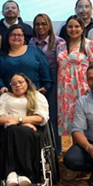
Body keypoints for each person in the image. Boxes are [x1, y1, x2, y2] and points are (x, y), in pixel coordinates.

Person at [0, 73, 49, 186]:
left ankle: (15, 173)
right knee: (12, 131)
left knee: (14, 130)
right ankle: (16, 174)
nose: (17, 85)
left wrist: (18, 121)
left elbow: (41, 118)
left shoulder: (37, 96)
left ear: (27, 82)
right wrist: (20, 123)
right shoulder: (5, 97)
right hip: (9, 130)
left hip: (31, 132)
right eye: (13, 83)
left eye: (20, 82)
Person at [56, 15, 93, 137]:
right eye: (70, 26)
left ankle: (89, 149)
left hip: (82, 88)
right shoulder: (60, 45)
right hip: (64, 91)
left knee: (84, 119)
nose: (73, 29)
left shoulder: (90, 44)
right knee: (66, 120)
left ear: (82, 28)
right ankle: (69, 151)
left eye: (77, 26)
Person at [30, 13, 66, 155]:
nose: (40, 27)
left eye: (44, 23)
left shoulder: (58, 42)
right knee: (36, 113)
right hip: (35, 81)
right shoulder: (31, 42)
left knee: (52, 115)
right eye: (37, 24)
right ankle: (37, 150)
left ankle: (56, 150)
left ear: (49, 25)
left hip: (54, 80)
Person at [0, 24, 53, 98]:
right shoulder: (1, 55)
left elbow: (45, 70)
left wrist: (46, 86)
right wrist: (0, 86)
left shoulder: (34, 51)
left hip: (34, 94)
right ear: (8, 37)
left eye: (20, 35)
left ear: (24, 37)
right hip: (10, 96)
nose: (16, 37)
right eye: (13, 35)